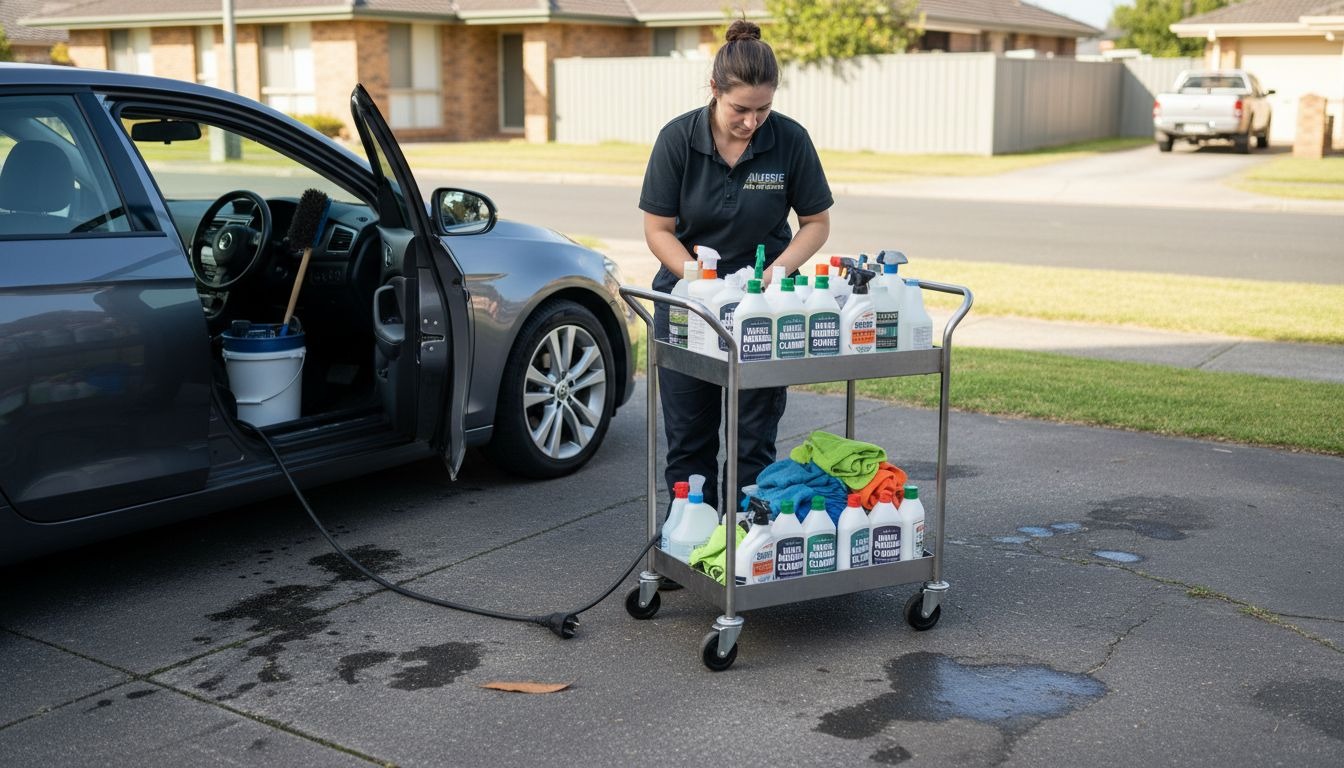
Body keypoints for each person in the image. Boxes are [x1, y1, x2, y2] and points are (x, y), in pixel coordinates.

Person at [639, 19, 832, 515]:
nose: (751, 122)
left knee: (754, 439)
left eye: (763, 109)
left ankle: (749, 540)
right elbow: (658, 228)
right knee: (689, 438)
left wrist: (778, 272)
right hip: (688, 304)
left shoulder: (789, 140)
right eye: (740, 110)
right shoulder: (678, 139)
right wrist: (696, 278)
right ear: (714, 91)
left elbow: (815, 221)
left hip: (760, 308)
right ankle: (691, 535)